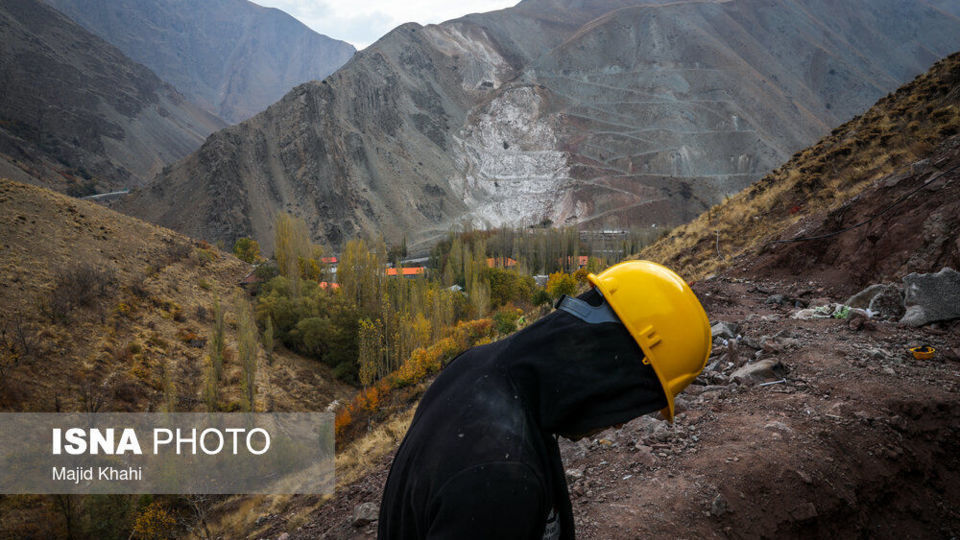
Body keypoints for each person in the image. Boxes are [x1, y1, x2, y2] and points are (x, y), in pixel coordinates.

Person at [378, 261, 712, 539]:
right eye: (632, 404)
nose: (621, 422)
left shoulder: (478, 366)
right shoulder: (502, 478)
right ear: (614, 373)